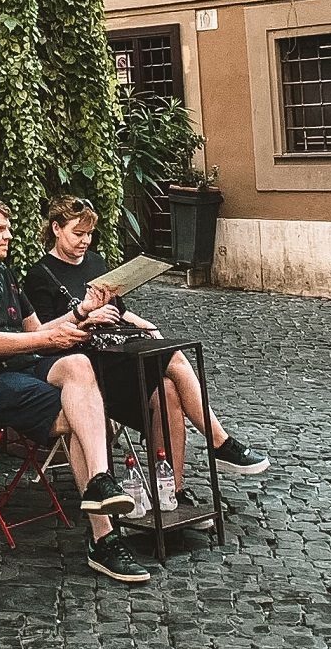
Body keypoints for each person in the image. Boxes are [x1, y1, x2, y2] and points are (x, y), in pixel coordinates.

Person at [0, 193, 149, 585]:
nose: (9, 235)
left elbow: (35, 331)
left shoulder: (5, 274)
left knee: (80, 365)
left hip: (26, 369)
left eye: (8, 228)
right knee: (81, 415)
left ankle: (99, 480)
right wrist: (46, 344)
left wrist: (80, 313)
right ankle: (104, 538)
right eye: (1, 228)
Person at [23, 193, 271, 511]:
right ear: (56, 229)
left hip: (116, 354)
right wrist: (85, 316)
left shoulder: (96, 263)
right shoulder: (40, 276)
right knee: (174, 357)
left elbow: (119, 312)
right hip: (82, 368)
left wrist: (145, 324)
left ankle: (172, 492)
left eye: (89, 234)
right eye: (77, 233)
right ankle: (220, 443)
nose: (85, 241)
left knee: (168, 389)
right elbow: (43, 338)